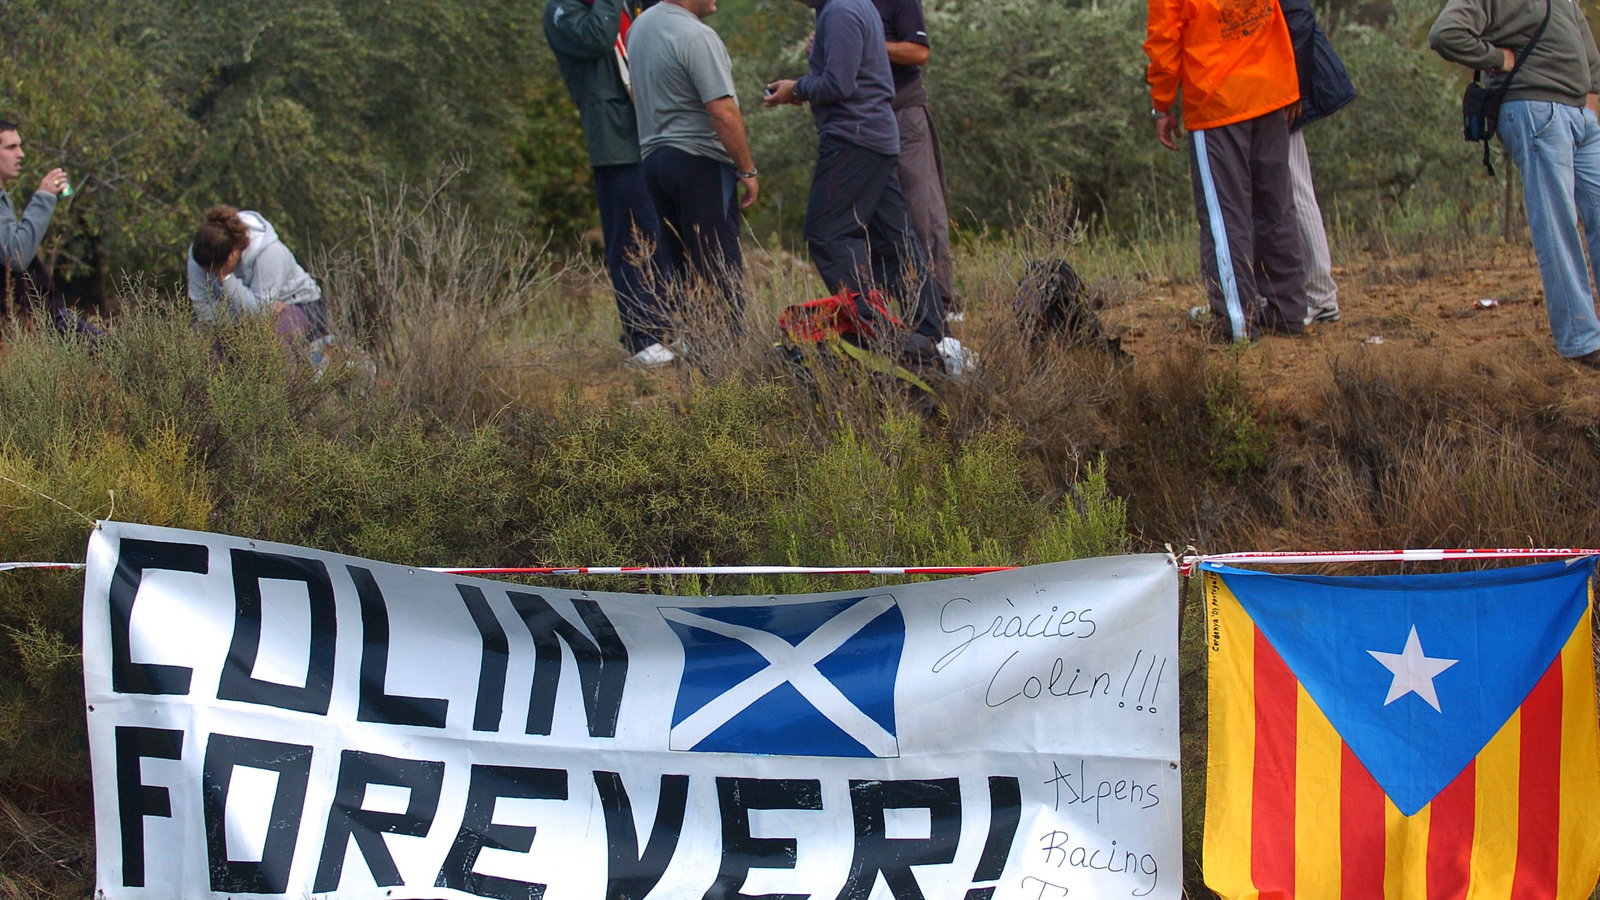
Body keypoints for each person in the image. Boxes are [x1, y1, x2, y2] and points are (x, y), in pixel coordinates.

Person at [766, 0, 970, 373]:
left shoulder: (840, 11)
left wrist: (798, 87)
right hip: (879, 137)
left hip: (853, 138)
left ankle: (876, 335)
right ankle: (938, 339)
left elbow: (839, 84)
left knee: (827, 233)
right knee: (897, 240)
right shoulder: (854, 5)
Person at [1430, 0, 1600, 369]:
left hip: (1580, 118)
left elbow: (1588, 49)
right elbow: (1445, 34)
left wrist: (1591, 102)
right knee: (1557, 226)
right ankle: (1582, 342)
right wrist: (1496, 58)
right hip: (1536, 108)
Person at [1144, 0, 1309, 342]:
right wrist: (1293, 81)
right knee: (1275, 207)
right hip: (1270, 87)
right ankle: (1287, 311)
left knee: (1224, 217)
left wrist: (1161, 102)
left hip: (1217, 98)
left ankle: (1236, 323)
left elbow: (1164, 36)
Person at [546, 0, 676, 368]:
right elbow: (599, 38)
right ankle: (641, 336)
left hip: (650, 131)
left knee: (661, 234)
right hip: (615, 143)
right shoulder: (563, 11)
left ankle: (670, 324)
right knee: (631, 239)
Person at [627, 0, 757, 332]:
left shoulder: (641, 28)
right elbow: (723, 112)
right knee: (718, 269)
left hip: (654, 162)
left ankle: (698, 356)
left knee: (681, 269)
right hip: (699, 162)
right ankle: (723, 368)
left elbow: (634, 91)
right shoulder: (697, 36)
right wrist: (747, 169)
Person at [868, 0, 956, 315]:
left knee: (923, 208)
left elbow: (918, 52)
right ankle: (890, 303)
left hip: (903, 111)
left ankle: (944, 302)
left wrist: (866, 39)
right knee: (871, 211)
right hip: (863, 116)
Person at [1282, 0, 1355, 327]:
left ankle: (1321, 295)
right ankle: (1312, 293)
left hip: (1282, 92)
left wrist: (1293, 86)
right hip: (1274, 88)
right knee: (1289, 189)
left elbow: (1299, 18)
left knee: (1295, 189)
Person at [0, 118, 99, 336]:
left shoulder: (3, 198)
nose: (21, 154)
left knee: (115, 352)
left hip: (39, 319)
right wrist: (43, 197)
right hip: (32, 324)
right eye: (11, 147)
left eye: (20, 145)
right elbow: (16, 255)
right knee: (116, 355)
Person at [186, 206, 328, 344]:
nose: (209, 274)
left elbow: (258, 316)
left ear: (233, 254)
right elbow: (203, 310)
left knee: (271, 341)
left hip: (299, 304)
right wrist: (247, 317)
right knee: (198, 340)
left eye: (214, 270)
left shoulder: (269, 252)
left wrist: (226, 278)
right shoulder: (199, 253)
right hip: (241, 313)